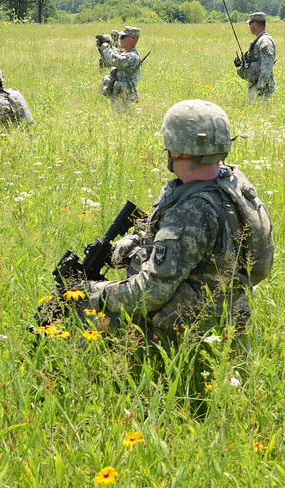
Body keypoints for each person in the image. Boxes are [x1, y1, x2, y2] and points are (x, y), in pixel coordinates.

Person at [68, 99, 274, 346]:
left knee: (79, 309)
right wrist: (133, 246)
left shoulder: (192, 211)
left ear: (176, 149)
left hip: (190, 331)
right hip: (228, 314)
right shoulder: (233, 183)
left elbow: (149, 293)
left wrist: (90, 290)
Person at [98, 26, 143, 111]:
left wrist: (105, 46)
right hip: (118, 94)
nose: (120, 39)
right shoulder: (123, 54)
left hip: (126, 97)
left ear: (132, 39)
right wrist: (101, 49)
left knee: (125, 116)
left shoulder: (132, 56)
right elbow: (108, 63)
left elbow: (115, 60)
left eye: (122, 37)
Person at [234, 12, 276, 103]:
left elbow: (267, 65)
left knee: (262, 110)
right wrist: (241, 65)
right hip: (256, 86)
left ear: (255, 23)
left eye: (250, 23)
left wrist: (260, 86)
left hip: (263, 90)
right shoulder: (259, 40)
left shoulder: (265, 41)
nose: (249, 26)